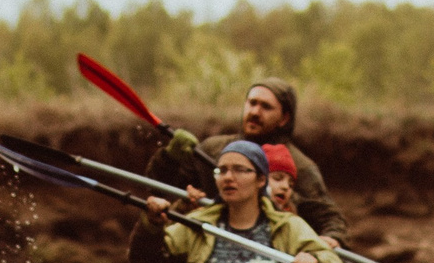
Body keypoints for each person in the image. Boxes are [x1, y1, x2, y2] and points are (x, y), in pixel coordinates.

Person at [146, 77, 350, 248]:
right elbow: (156, 187)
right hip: (209, 245)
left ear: (284, 118)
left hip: (272, 252)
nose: (255, 112)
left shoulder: (299, 166)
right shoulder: (213, 149)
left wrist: (330, 240)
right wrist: (169, 157)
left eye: (266, 107)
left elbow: (329, 217)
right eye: (252, 103)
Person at [128, 140, 343, 263]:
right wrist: (152, 225)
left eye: (239, 170)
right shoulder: (197, 224)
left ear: (261, 180)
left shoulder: (288, 225)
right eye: (222, 170)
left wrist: (317, 260)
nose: (228, 177)